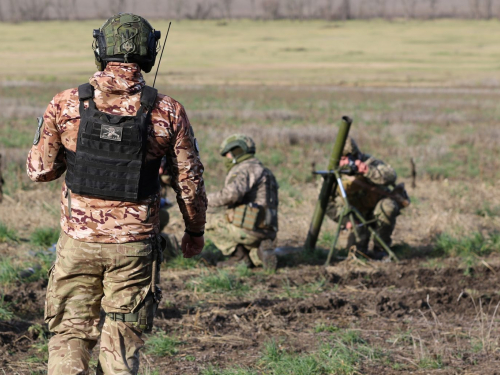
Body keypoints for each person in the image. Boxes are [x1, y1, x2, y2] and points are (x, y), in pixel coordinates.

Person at [26, 13, 207, 375]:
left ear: (101, 49)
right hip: (135, 247)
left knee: (69, 335)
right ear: (148, 53)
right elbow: (189, 180)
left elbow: (39, 171)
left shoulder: (65, 103)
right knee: (121, 343)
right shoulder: (167, 110)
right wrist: (195, 231)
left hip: (77, 244)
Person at [326, 137, 409, 259]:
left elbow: (391, 175)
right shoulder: (334, 171)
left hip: (376, 210)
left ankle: (380, 248)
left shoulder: (369, 162)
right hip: (354, 216)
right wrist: (346, 220)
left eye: (349, 158)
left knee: (388, 207)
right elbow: (326, 203)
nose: (346, 162)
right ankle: (360, 247)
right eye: (342, 158)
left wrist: (367, 170)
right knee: (352, 252)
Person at [206, 134, 279, 270]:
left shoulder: (245, 169)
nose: (226, 158)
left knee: (205, 220)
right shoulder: (266, 171)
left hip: (249, 229)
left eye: (227, 154)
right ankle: (259, 253)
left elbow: (231, 195)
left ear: (236, 151)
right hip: (268, 230)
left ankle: (239, 258)